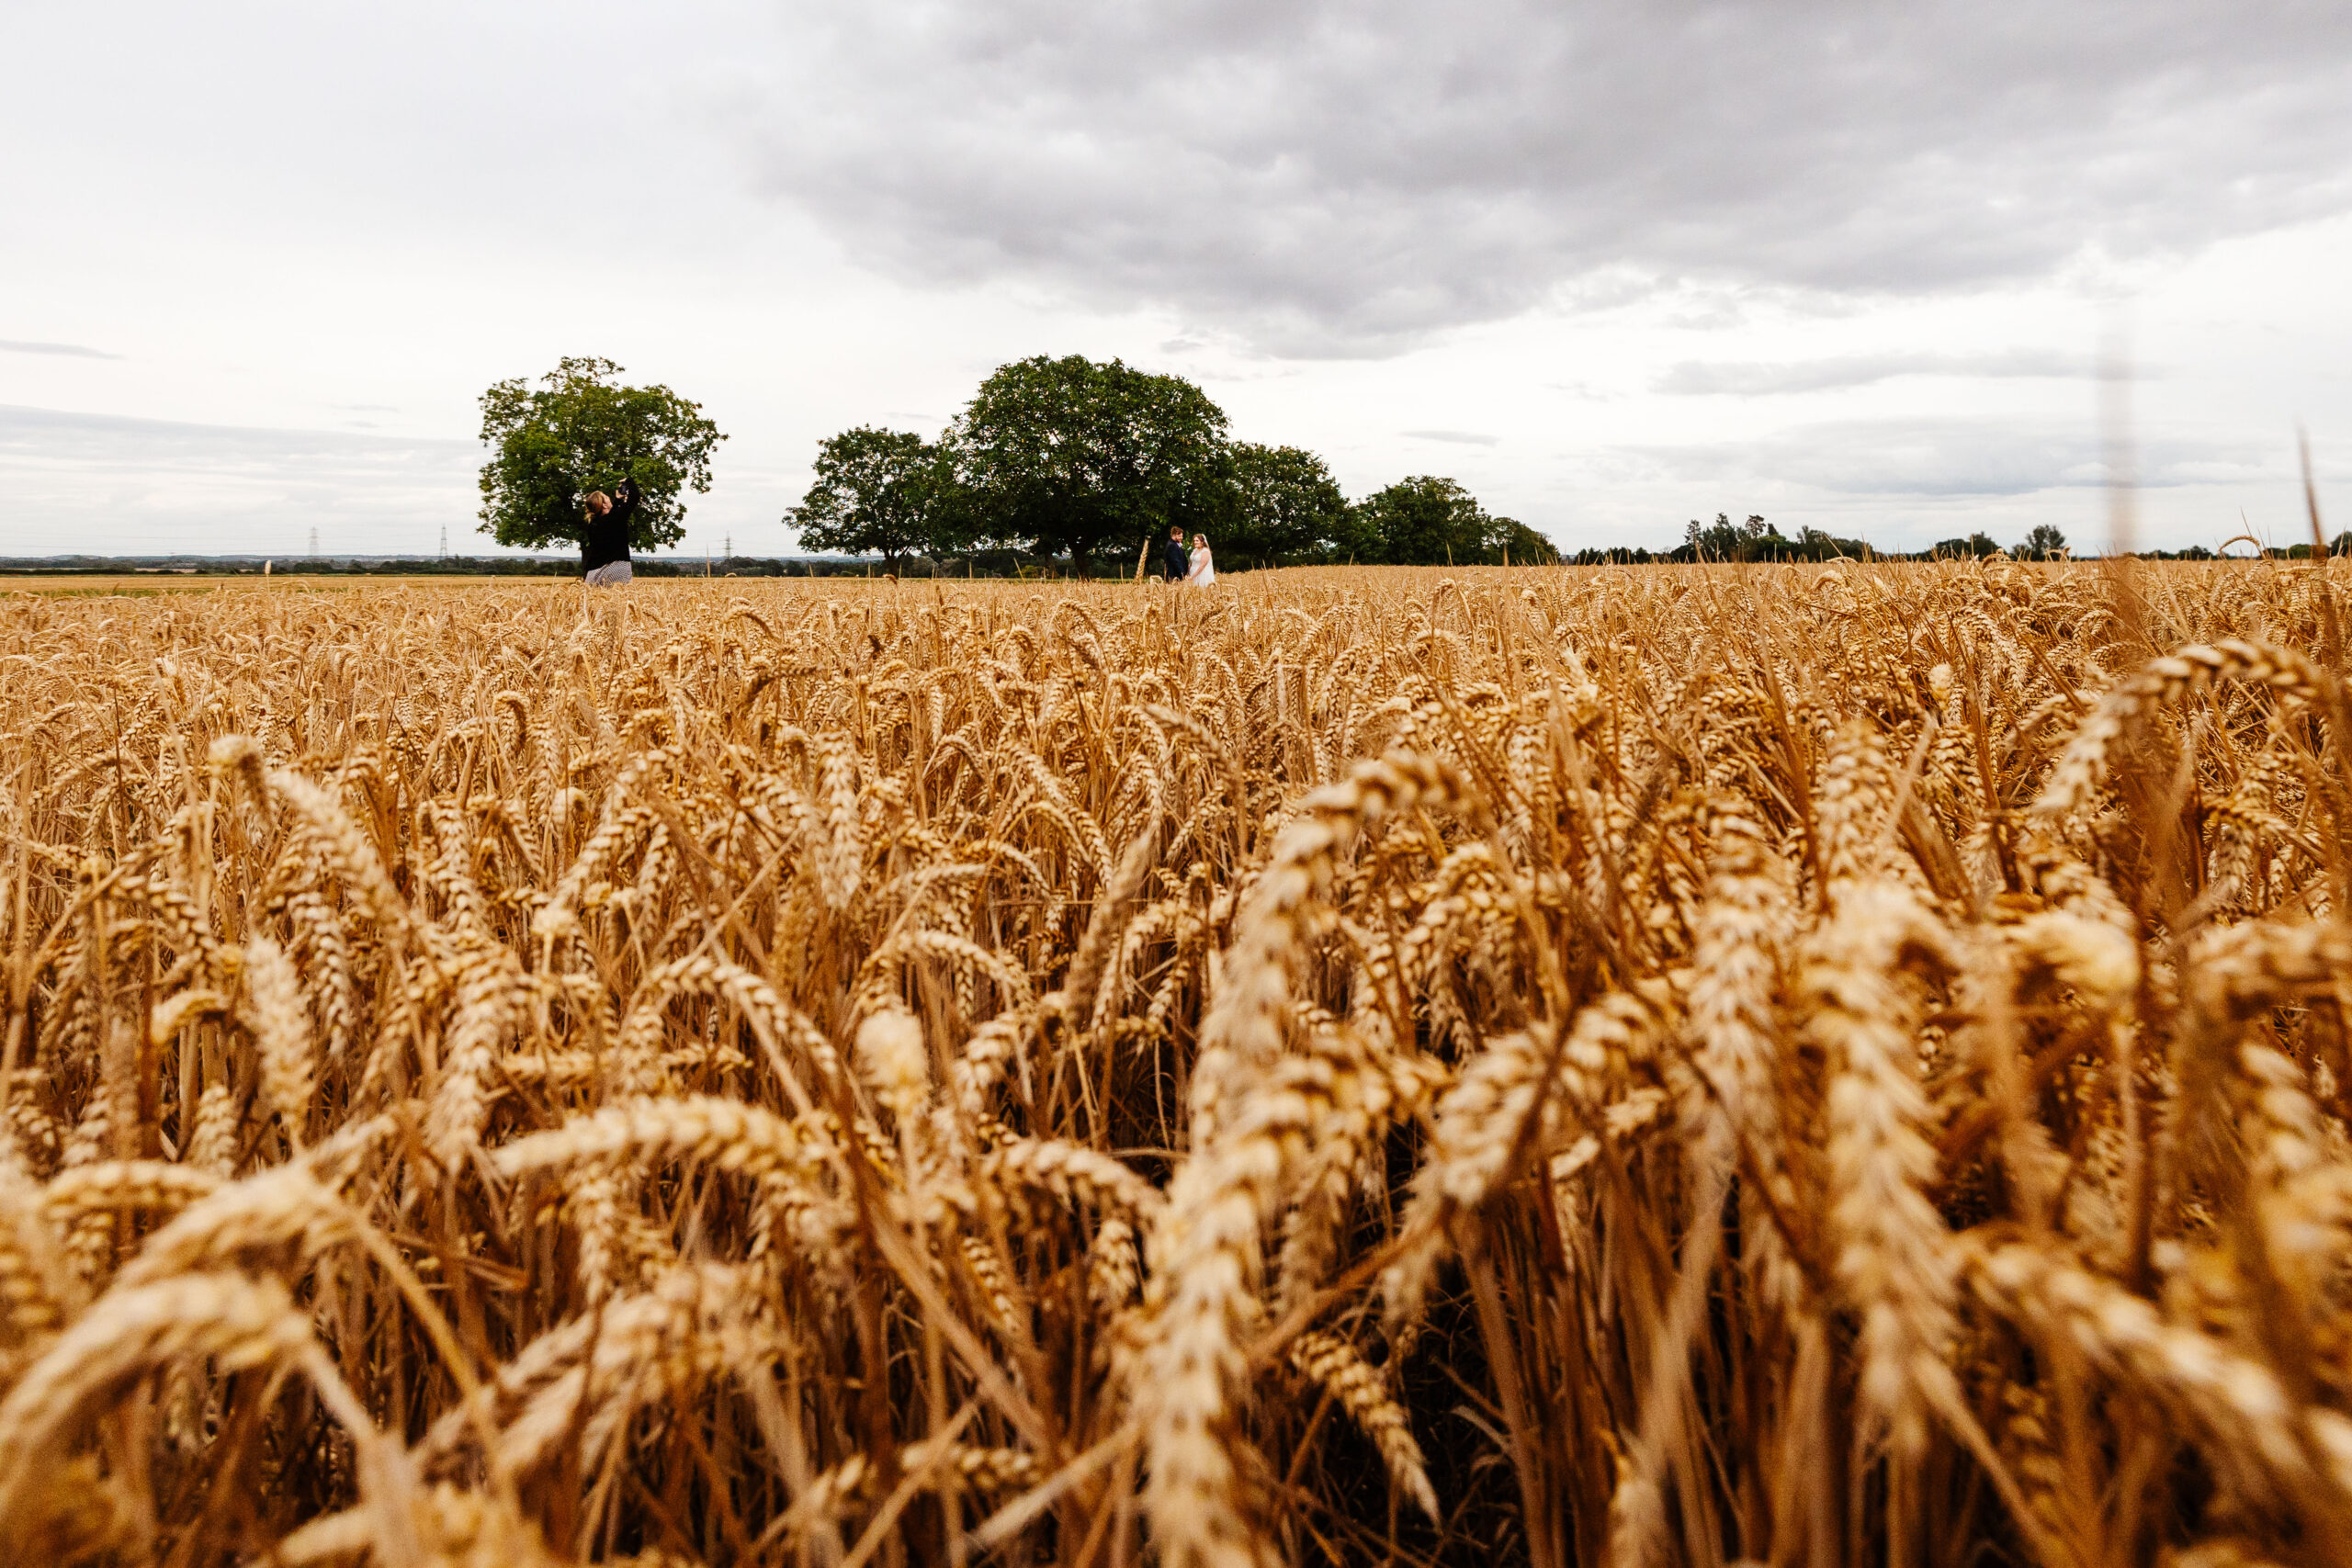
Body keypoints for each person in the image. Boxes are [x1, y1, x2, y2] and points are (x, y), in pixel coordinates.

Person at [582, 479, 639, 586]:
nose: (610, 499)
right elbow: (634, 498)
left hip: (592, 575)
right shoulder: (616, 518)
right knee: (618, 602)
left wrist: (618, 500)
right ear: (604, 505)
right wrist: (629, 481)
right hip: (615, 571)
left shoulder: (592, 524)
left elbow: (612, 516)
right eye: (607, 498)